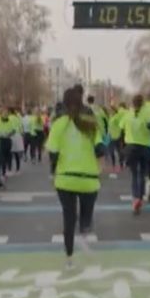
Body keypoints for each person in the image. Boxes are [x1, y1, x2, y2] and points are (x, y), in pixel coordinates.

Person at [48, 88, 104, 269]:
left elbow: (53, 152)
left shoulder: (58, 124)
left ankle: (69, 258)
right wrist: (99, 168)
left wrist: (53, 171)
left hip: (65, 178)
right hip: (88, 179)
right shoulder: (90, 123)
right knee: (86, 216)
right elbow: (100, 149)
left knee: (68, 218)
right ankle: (85, 229)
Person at [122, 95, 150, 214]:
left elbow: (121, 126)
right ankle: (140, 197)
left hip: (131, 146)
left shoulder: (128, 114)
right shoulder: (147, 113)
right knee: (142, 173)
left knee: (134, 174)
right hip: (145, 146)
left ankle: (135, 197)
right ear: (143, 103)